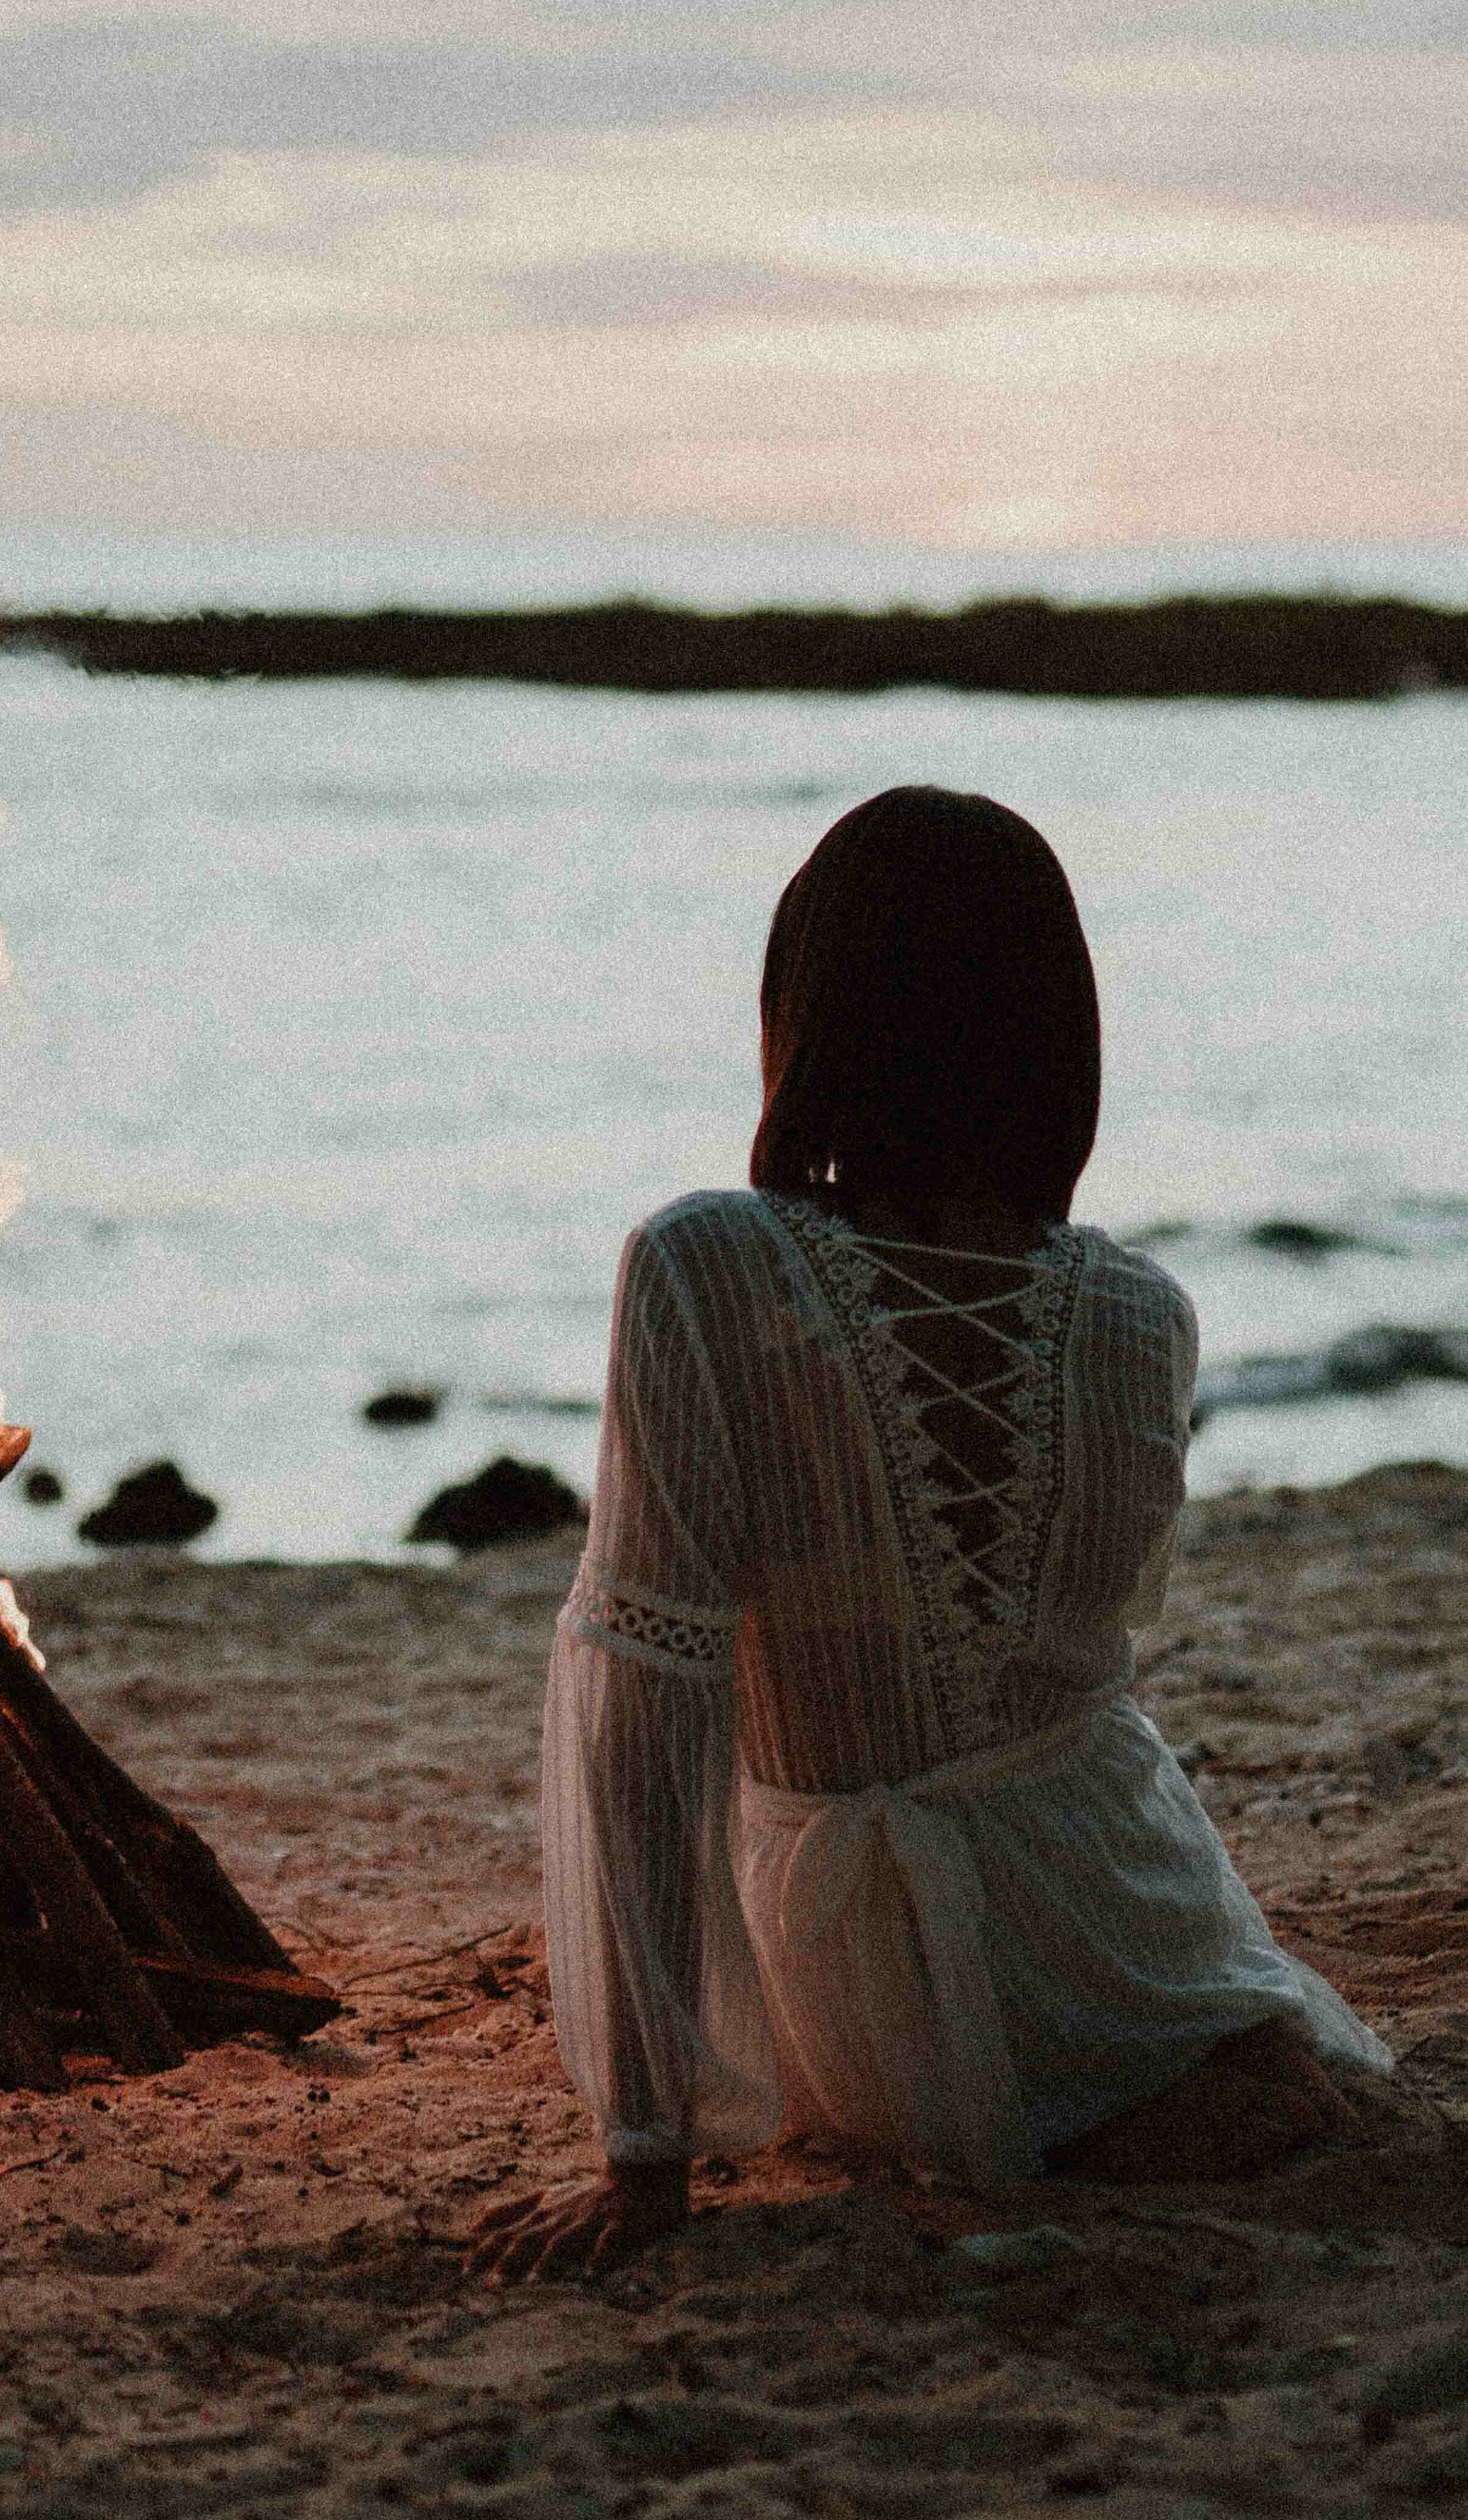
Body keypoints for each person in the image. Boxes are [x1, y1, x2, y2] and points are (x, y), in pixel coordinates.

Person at [474, 784, 1386, 2281]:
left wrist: (646, 2150)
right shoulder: (1143, 1311)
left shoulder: (711, 1263)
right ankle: (1156, 2068)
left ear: (811, 1014)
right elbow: (1087, 1670)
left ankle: (1090, 2094)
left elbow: (645, 1696)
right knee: (1212, 2083)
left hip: (855, 1954)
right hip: (1122, 1903)